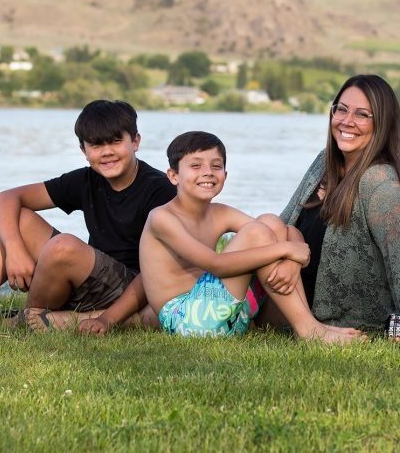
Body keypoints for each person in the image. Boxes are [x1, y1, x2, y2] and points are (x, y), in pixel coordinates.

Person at [82, 131, 365, 343]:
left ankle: (308, 324)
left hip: (222, 314)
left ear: (226, 175)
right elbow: (215, 264)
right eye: (195, 166)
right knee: (260, 233)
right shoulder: (162, 218)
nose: (207, 172)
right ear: (173, 176)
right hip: (187, 321)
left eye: (215, 166)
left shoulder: (219, 212)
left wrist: (292, 257)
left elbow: (284, 232)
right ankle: (309, 330)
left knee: (271, 222)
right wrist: (290, 250)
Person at [270, 75, 400, 343]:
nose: (347, 121)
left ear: (382, 124)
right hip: (287, 289)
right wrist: (289, 258)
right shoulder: (324, 162)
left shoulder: (381, 183)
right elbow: (284, 223)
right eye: (341, 109)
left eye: (362, 115)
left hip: (332, 313)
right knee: (264, 226)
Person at [0, 100, 175, 330]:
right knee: (20, 221)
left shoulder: (159, 190)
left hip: (135, 288)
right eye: (96, 145)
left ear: (135, 141)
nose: (107, 152)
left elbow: (159, 270)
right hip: (92, 283)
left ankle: (26, 323)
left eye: (116, 141)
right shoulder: (86, 180)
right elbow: (5, 199)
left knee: (63, 246)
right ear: (83, 151)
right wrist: (15, 249)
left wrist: (108, 318)